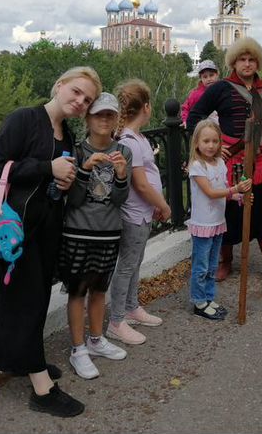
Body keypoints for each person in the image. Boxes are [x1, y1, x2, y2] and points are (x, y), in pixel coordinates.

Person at [0, 66, 102, 417]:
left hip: (46, 227)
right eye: (77, 92)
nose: (80, 101)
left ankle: (16, 359)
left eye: (88, 99)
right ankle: (41, 388)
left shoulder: (64, 132)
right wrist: (46, 169)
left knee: (31, 298)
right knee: (25, 300)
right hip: (15, 229)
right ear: (59, 84)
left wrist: (64, 180)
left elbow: (55, 176)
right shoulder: (25, 119)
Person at [187, 37, 262, 287]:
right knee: (229, 215)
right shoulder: (220, 89)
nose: (247, 64)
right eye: (242, 60)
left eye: (251, 60)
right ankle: (225, 263)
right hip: (230, 165)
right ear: (234, 62)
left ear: (257, 62)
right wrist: (216, 145)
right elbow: (195, 116)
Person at [59, 93, 132, 380]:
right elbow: (73, 200)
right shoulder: (77, 151)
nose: (104, 120)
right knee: (78, 291)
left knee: (100, 289)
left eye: (110, 115)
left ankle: (96, 339)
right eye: (98, 114)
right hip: (77, 231)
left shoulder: (123, 151)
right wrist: (84, 170)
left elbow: (119, 200)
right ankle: (78, 349)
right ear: (87, 118)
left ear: (116, 120)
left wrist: (122, 176)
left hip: (109, 232)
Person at [106, 80, 171, 345]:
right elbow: (141, 184)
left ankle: (131, 307)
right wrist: (163, 205)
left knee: (135, 263)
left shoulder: (137, 138)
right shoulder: (130, 142)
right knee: (127, 266)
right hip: (133, 214)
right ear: (145, 107)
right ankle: (116, 321)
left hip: (142, 213)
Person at [187, 120, 251, 320]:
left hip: (217, 222)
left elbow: (224, 191)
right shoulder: (197, 166)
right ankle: (198, 301)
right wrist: (234, 190)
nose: (211, 145)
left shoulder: (221, 163)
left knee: (213, 264)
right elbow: (211, 192)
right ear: (197, 143)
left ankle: (208, 297)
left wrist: (239, 197)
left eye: (215, 141)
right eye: (206, 141)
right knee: (201, 265)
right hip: (203, 224)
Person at [181, 60, 220, 125]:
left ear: (217, 75)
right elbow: (186, 108)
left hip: (222, 129)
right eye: (205, 77)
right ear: (201, 78)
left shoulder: (222, 91)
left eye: (211, 75)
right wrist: (185, 120)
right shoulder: (196, 94)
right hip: (203, 129)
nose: (209, 79)